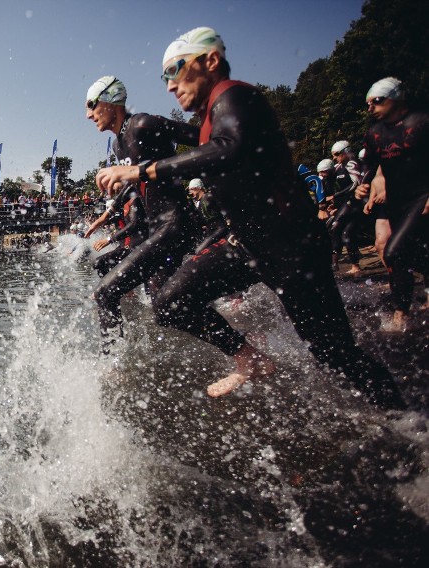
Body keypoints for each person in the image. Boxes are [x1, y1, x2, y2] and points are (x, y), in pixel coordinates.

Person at [95, 27, 404, 409]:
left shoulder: (236, 98)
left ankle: (405, 419)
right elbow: (217, 153)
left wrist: (143, 170)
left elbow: (232, 149)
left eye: (176, 69)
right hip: (247, 243)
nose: (171, 85)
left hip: (292, 247)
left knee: (336, 354)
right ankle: (250, 358)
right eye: (165, 77)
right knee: (171, 302)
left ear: (209, 61)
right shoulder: (210, 117)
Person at [84, 75, 200, 352]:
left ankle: (113, 362)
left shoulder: (143, 124)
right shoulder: (118, 144)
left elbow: (205, 140)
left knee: (105, 294)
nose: (88, 115)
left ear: (111, 101)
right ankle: (243, 346)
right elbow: (135, 183)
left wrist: (144, 168)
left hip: (175, 223)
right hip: (157, 230)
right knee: (167, 307)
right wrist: (106, 213)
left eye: (91, 105)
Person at [360, 77, 429, 332]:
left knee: (393, 252)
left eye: (376, 101)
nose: (371, 108)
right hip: (397, 201)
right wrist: (365, 184)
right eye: (368, 103)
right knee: (417, 254)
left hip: (421, 195)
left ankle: (402, 314)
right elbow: (369, 165)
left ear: (397, 98)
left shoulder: (421, 122)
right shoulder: (375, 133)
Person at [327, 141, 367, 276]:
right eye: (333, 155)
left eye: (337, 154)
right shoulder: (339, 167)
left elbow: (356, 184)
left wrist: (335, 195)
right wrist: (335, 202)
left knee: (335, 226)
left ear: (346, 151)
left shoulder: (352, 163)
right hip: (348, 204)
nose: (334, 157)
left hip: (355, 204)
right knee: (347, 235)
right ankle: (355, 267)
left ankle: (334, 264)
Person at [186, 178, 227, 252]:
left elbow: (223, 207)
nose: (190, 192)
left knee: (199, 250)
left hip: (219, 228)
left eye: (192, 189)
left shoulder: (209, 196)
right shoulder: (199, 202)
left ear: (198, 188)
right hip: (212, 230)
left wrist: (227, 220)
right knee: (196, 249)